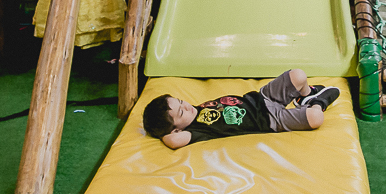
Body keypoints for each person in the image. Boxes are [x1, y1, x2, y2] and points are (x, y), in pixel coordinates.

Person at [142, 69, 340, 149]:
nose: (186, 106)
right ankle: (320, 100)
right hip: (271, 119)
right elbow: (172, 141)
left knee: (297, 75)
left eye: (180, 101)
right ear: (177, 129)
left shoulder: (192, 109)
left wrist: (179, 112)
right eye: (181, 112)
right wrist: (164, 131)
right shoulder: (196, 131)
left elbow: (180, 111)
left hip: (261, 97)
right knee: (315, 118)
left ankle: (306, 96)